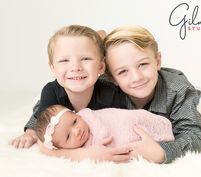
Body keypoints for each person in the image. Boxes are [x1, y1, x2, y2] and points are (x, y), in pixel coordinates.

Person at [10, 24, 130, 163]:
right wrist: (85, 155)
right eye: (64, 60)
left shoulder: (111, 93)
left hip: (98, 77)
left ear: (101, 66)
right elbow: (44, 143)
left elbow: (122, 126)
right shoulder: (51, 91)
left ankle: (99, 40)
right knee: (41, 115)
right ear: (53, 69)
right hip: (56, 101)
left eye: (85, 59)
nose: (75, 67)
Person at [102, 25, 201, 163]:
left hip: (172, 91)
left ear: (157, 61)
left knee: (189, 102)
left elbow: (195, 135)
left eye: (143, 64)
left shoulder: (178, 90)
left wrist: (161, 152)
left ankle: (195, 95)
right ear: (112, 78)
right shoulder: (104, 88)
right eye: (123, 71)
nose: (136, 77)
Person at [36, 104, 175, 150]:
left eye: (74, 122)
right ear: (61, 148)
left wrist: (98, 145)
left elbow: (105, 130)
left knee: (139, 119)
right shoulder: (81, 151)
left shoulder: (87, 115)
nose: (77, 130)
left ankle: (162, 128)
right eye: (68, 136)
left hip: (126, 121)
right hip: (129, 143)